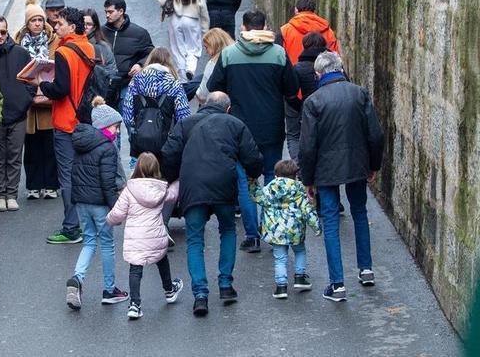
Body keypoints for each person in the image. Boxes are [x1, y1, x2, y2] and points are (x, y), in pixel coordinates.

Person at [160, 91, 263, 317]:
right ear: (227, 109)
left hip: (193, 186)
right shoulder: (235, 124)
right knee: (227, 230)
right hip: (224, 184)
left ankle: (200, 294)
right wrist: (254, 174)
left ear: (204, 104)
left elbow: (168, 154)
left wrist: (173, 177)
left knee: (195, 238)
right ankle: (225, 285)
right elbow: (253, 158)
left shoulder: (185, 124)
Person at [207, 8, 300, 253]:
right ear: (265, 26)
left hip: (239, 127)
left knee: (246, 183)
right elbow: (291, 90)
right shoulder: (278, 54)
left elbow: (213, 87)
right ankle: (271, 230)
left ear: (244, 28)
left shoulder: (228, 55)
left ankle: (252, 235)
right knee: (271, 177)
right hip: (271, 125)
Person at [299, 51, 384, 302]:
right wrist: (373, 164)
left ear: (318, 74)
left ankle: (337, 284)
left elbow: (307, 147)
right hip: (357, 163)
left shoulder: (313, 102)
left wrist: (308, 179)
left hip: (325, 170)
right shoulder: (359, 93)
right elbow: (375, 135)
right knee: (359, 212)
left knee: (331, 221)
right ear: (341, 68)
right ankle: (366, 268)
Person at [36, 7, 96, 244]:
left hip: (65, 120)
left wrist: (43, 84)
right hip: (84, 118)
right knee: (84, 173)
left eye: (60, 24)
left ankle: (71, 228)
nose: (56, 26)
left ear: (72, 27)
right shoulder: (88, 47)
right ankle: (89, 222)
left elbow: (61, 89)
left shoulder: (63, 51)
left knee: (68, 177)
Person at [65, 97, 129, 310]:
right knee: (107, 244)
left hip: (82, 202)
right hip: (100, 203)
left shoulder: (82, 143)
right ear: (104, 126)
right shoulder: (107, 148)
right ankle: (110, 289)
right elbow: (107, 182)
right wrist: (115, 209)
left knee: (89, 242)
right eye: (115, 127)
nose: (118, 132)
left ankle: (77, 278)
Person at [106, 152, 184, 320]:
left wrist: (109, 220)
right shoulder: (161, 189)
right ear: (156, 169)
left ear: (137, 168)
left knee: (135, 269)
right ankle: (169, 290)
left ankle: (135, 304)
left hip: (136, 238)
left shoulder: (129, 190)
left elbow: (117, 214)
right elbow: (173, 194)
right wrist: (179, 181)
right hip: (156, 235)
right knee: (162, 259)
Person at [0, 15, 34, 212]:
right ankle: (0, 194)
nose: (0, 36)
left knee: (14, 155)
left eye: (3, 32)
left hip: (18, 114)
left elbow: (30, 81)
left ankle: (11, 194)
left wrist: (25, 100)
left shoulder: (21, 53)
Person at [251, 159, 320, 299]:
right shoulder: (299, 189)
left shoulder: (270, 188)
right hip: (296, 231)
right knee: (300, 251)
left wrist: (252, 182)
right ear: (295, 176)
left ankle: (281, 287)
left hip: (276, 233)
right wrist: (317, 227)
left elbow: (257, 196)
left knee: (280, 258)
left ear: (276, 175)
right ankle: (300, 278)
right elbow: (307, 210)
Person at [18, 0, 61, 201]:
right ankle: (34, 185)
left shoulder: (54, 41)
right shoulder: (19, 43)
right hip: (28, 101)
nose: (37, 24)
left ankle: (51, 184)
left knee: (50, 146)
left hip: (48, 97)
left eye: (39, 20)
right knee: (32, 147)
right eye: (33, 20)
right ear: (27, 24)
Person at [121, 47, 191, 159]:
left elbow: (127, 115)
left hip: (140, 143)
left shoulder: (135, 82)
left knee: (139, 172)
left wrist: (136, 132)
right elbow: (183, 117)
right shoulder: (174, 84)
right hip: (165, 143)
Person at [155, 0, 210, 80]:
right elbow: (203, 7)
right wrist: (205, 29)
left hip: (175, 18)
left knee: (177, 49)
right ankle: (190, 68)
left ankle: (182, 77)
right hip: (192, 19)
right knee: (194, 48)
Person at [101, 0, 154, 110]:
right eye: (106, 12)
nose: (107, 15)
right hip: (106, 85)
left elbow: (151, 53)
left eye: (110, 12)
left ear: (121, 11)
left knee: (130, 122)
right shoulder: (101, 32)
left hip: (127, 84)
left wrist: (140, 64)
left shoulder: (139, 33)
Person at [286, 31, 328, 160]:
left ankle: (298, 167)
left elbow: (290, 93)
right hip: (328, 107)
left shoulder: (298, 68)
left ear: (304, 46)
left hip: (306, 108)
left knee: (294, 135)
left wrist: (300, 107)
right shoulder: (331, 64)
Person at [277, 0, 340, 66]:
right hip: (322, 74)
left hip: (293, 74)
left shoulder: (285, 31)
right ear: (314, 10)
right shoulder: (328, 32)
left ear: (296, 10)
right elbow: (335, 58)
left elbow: (278, 58)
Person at [195, 28, 235, 105]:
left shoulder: (212, 63)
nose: (206, 52)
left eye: (206, 47)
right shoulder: (237, 57)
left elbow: (202, 94)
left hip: (218, 107)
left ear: (214, 45)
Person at [83, 8, 117, 77]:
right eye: (82, 23)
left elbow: (112, 71)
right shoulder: (72, 43)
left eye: (89, 24)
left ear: (94, 27)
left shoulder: (103, 46)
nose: (84, 27)